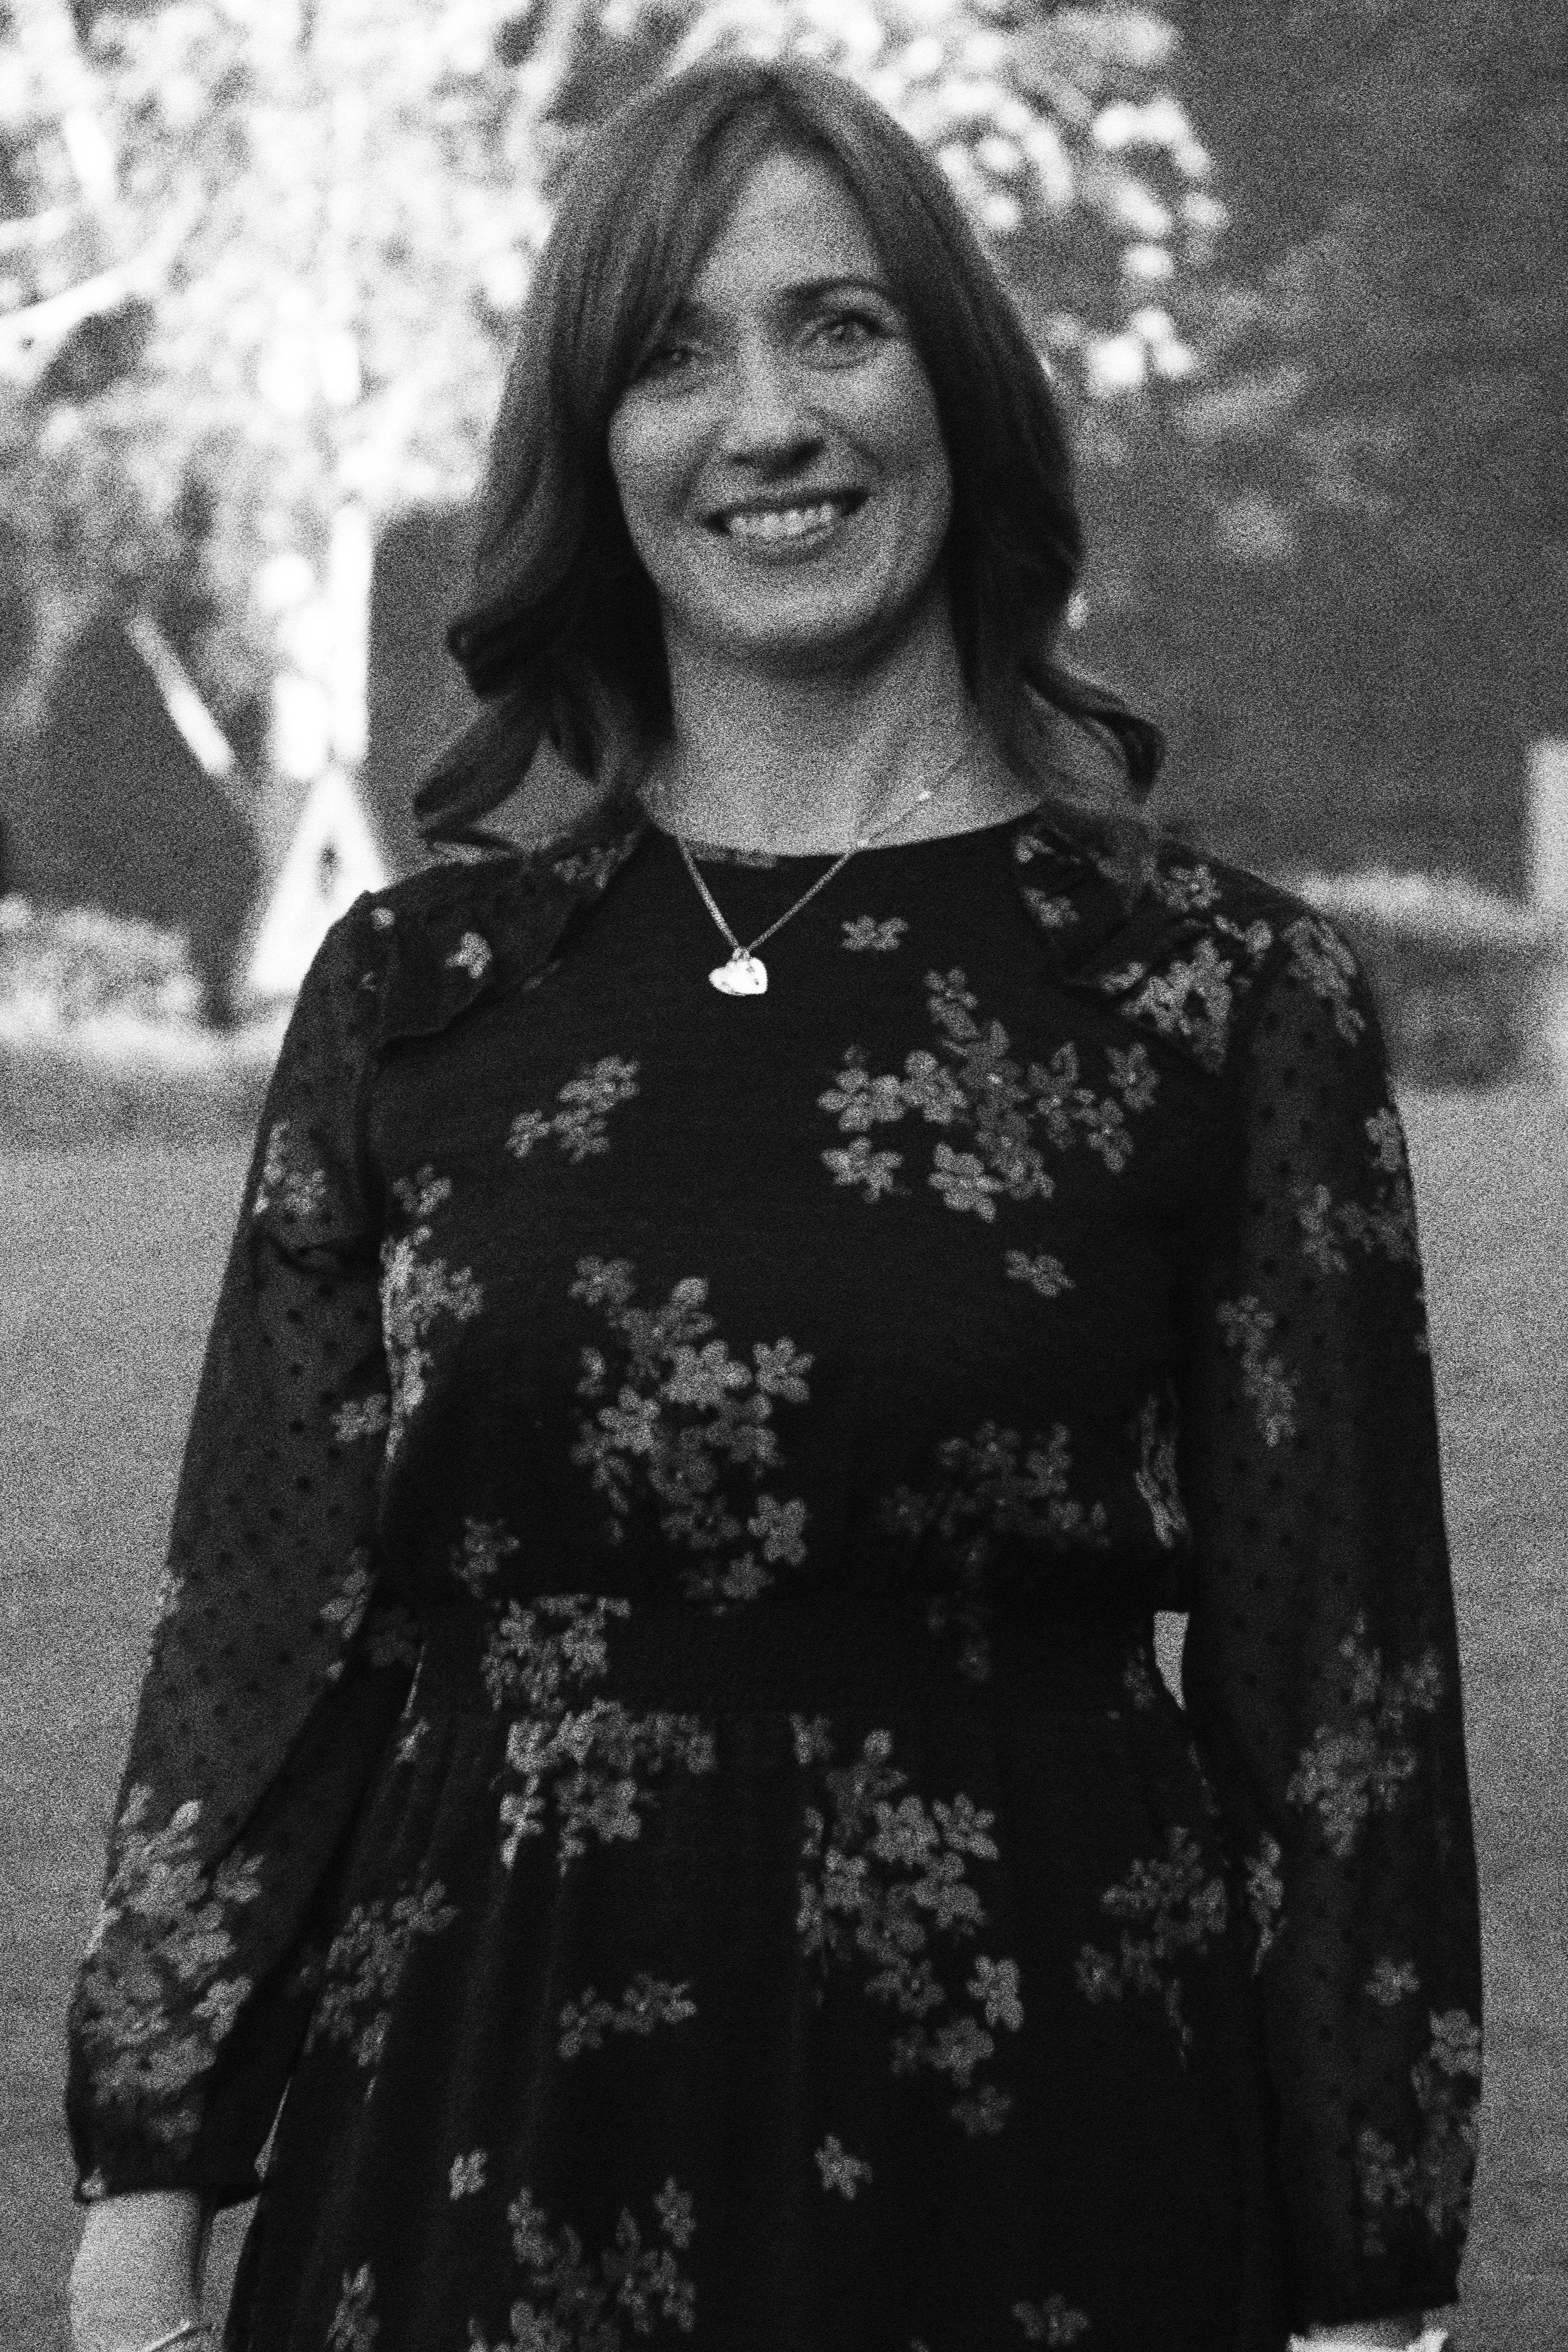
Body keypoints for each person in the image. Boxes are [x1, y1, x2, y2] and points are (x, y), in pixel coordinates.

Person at [67, 54, 1481, 2352]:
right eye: (674, 356)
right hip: (479, 2124)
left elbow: (1341, 1703)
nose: (766, 421)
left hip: (1046, 2142)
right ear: (592, 448)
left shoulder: (1213, 994)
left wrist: (1368, 2287)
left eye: (836, 326)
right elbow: (265, 1623)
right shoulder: (421, 994)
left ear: (956, 386)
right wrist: (148, 2178)